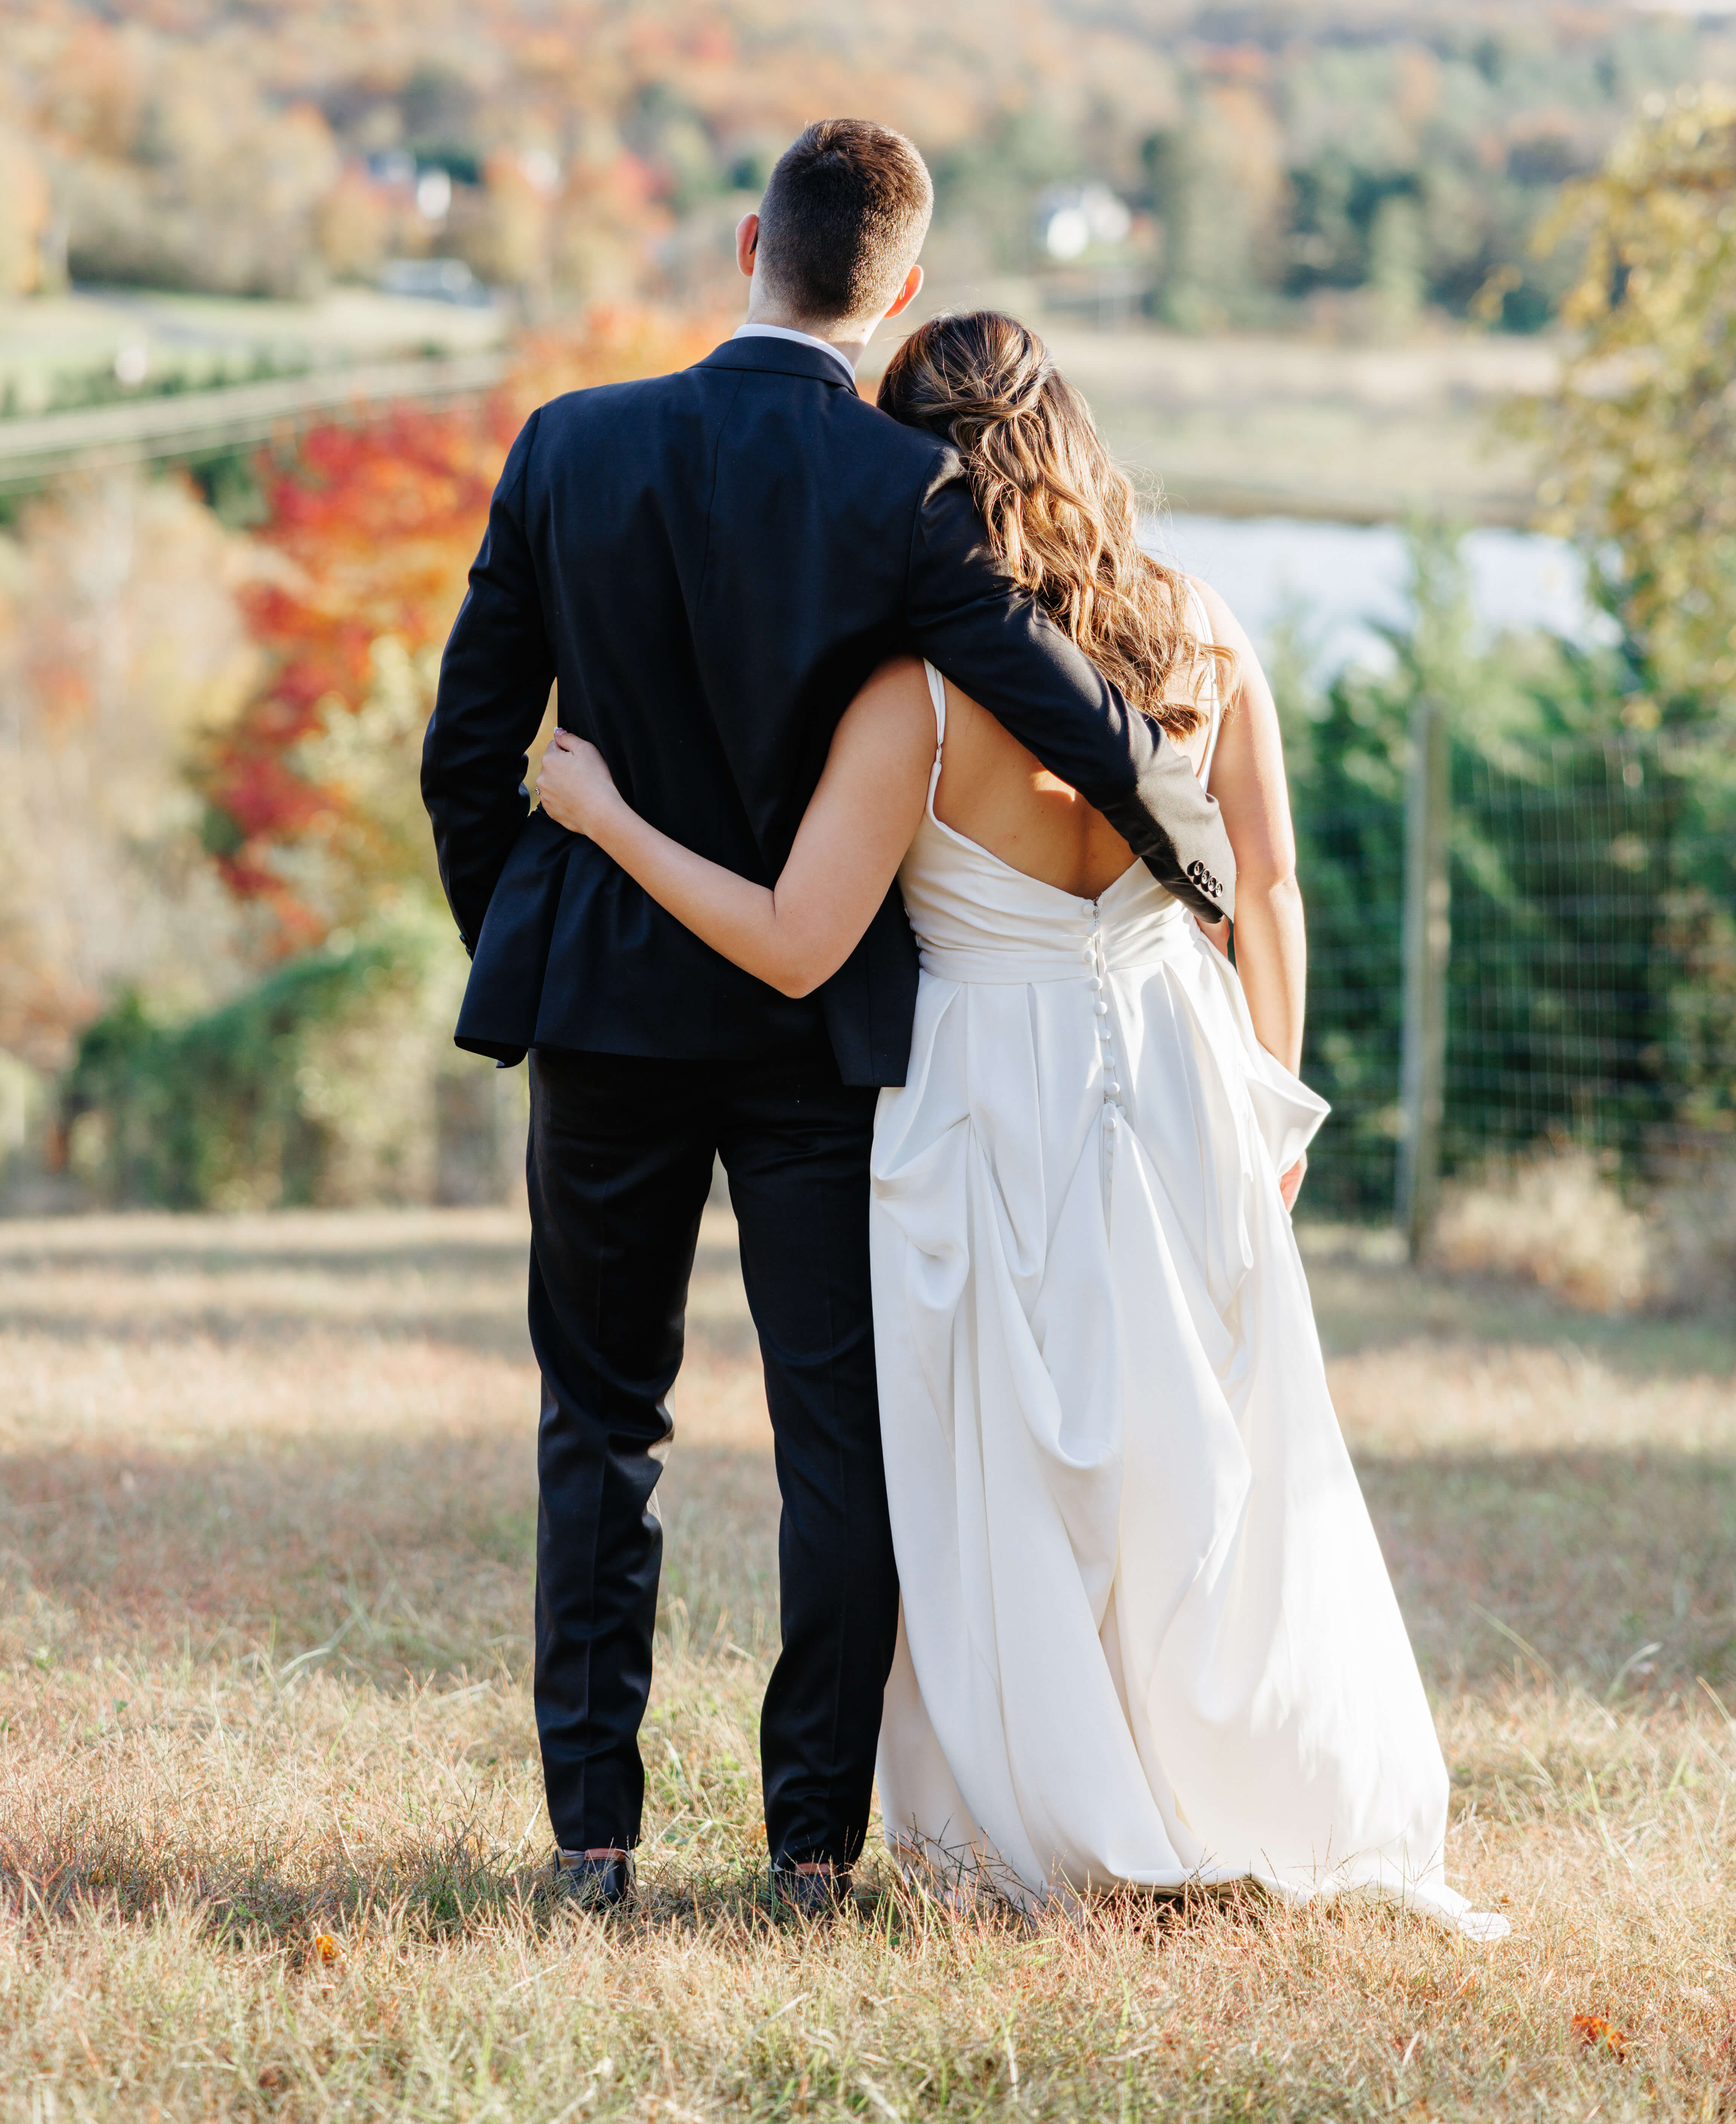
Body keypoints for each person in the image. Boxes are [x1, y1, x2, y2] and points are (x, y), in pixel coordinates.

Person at [534, 307, 1509, 1942]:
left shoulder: (914, 697)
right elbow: (1261, 888)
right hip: (1183, 1073)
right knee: (1192, 1454)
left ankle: (1052, 1805)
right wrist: (1269, 1110)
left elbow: (790, 937)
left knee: (1008, 1469)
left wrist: (607, 813)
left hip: (990, 1082)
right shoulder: (1203, 632)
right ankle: (1210, 1776)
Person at [420, 122, 1235, 1917]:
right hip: (822, 1052)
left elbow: (471, 752)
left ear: (747, 245)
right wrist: (1208, 867)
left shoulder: (570, 445)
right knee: (835, 1441)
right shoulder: (908, 494)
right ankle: (810, 1851)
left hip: (611, 1027)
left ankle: (592, 1844)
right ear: (901, 294)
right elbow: (1071, 709)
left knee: (600, 1425)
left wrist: (537, 942)